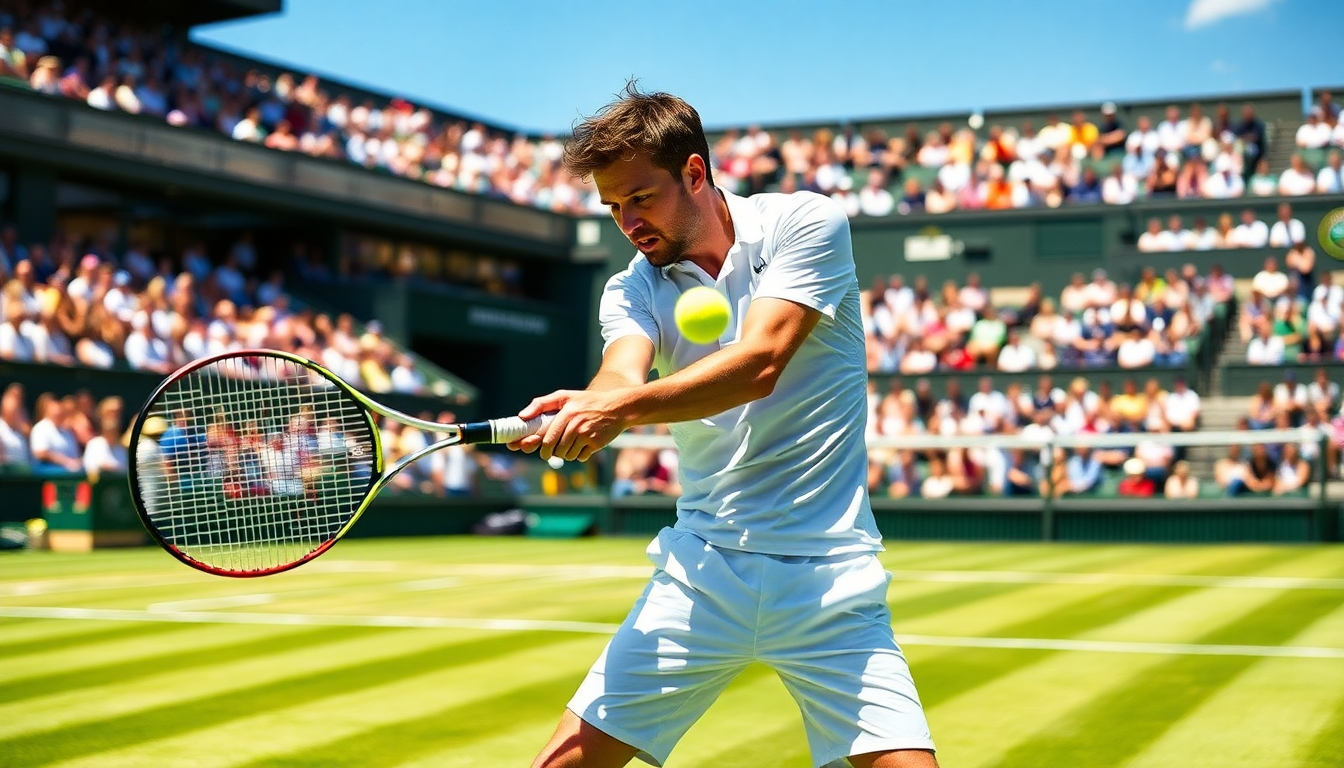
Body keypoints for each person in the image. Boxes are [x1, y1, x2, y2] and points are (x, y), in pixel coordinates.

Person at [508, 85, 936, 768]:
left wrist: (619, 409)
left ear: (695, 173)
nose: (627, 222)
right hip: (701, 573)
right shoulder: (631, 287)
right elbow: (621, 375)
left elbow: (760, 362)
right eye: (612, 207)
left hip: (830, 576)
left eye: (640, 198)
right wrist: (590, 409)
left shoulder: (808, 222)